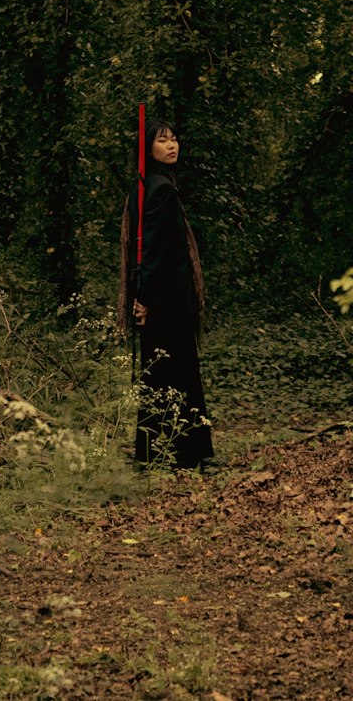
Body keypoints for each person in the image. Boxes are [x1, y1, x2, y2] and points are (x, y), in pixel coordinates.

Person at [118, 118, 213, 470]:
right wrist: (145, 299)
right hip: (167, 299)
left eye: (174, 139)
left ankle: (159, 452)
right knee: (175, 372)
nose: (172, 145)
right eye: (162, 141)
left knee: (162, 372)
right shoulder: (158, 189)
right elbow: (153, 251)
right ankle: (184, 455)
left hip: (163, 297)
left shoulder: (147, 186)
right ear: (148, 149)